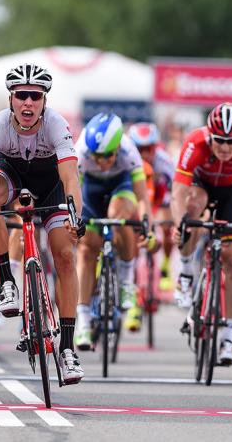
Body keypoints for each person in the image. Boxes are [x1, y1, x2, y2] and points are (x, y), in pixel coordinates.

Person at [0, 63, 85, 384]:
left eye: (35, 96)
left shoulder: (56, 125)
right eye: (21, 95)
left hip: (52, 186)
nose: (28, 103)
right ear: (11, 98)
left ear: (44, 101)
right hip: (11, 179)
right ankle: (6, 279)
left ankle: (67, 348)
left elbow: (70, 176)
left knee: (65, 255)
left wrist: (76, 213)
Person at [172, 103, 232, 365]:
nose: (225, 147)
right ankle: (185, 274)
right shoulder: (194, 142)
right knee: (191, 210)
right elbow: (178, 192)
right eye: (219, 140)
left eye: (231, 141)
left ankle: (229, 338)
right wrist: (179, 225)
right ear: (209, 135)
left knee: (231, 258)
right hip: (201, 187)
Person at [74, 113, 157, 344]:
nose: (101, 162)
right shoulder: (80, 152)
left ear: (118, 145)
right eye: (97, 157)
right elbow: (73, 195)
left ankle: (126, 281)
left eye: (107, 156)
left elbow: (142, 199)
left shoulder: (130, 152)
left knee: (118, 216)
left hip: (121, 185)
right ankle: (83, 323)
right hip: (90, 189)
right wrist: (74, 223)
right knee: (86, 249)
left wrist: (148, 228)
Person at [128, 122, 176, 295]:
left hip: (159, 196)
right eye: (140, 149)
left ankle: (165, 267)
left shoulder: (163, 161)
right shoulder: (128, 160)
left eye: (149, 149)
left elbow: (176, 190)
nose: (145, 154)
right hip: (137, 196)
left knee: (167, 229)